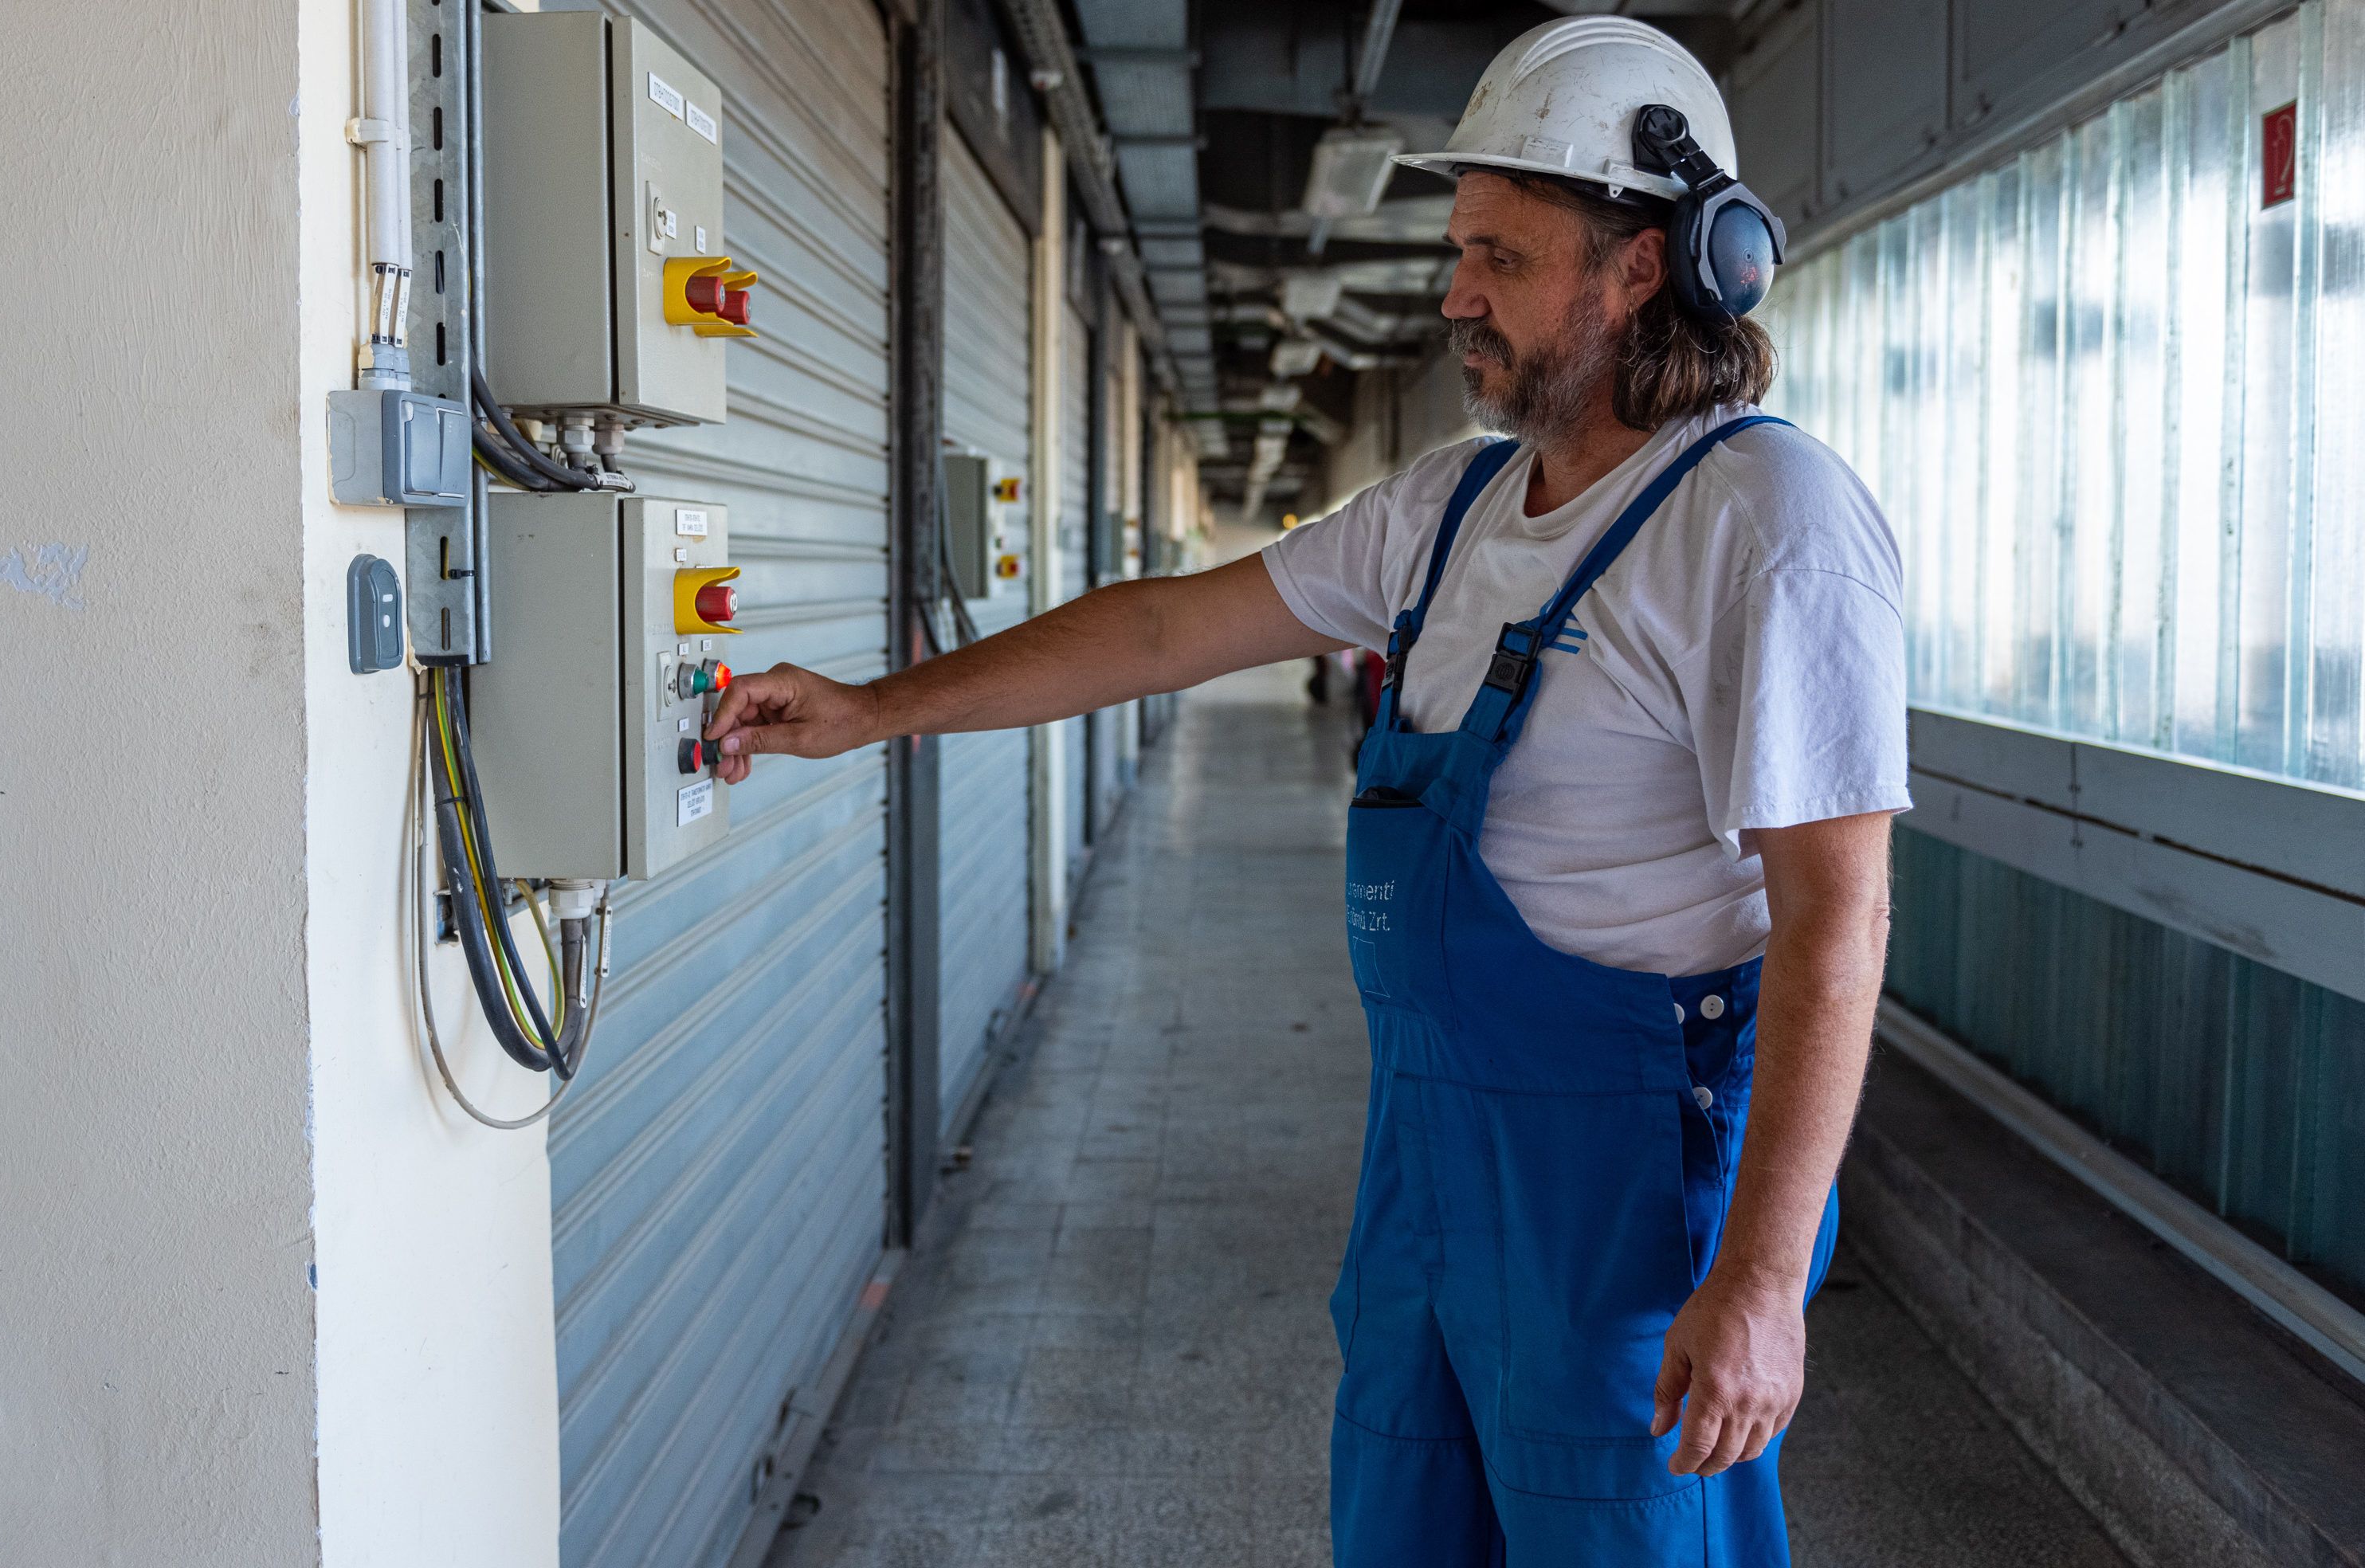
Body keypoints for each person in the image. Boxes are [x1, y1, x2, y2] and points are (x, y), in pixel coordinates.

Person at [699, 17, 1904, 1565]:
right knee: (1405, 1518)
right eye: (1456, 247)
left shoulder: (1762, 522)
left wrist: (1755, 1283)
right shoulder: (1452, 509)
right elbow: (1160, 626)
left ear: (1651, 265)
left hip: (1624, 1197)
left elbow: (1835, 916)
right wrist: (876, 710)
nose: (1455, 292)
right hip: (1426, 1155)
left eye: (1502, 256)